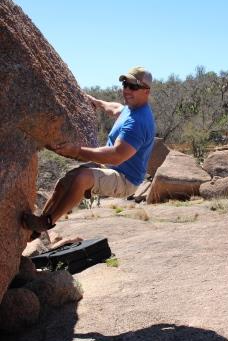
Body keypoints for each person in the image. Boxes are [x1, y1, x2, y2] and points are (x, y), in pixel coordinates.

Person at [22, 66, 156, 237]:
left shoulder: (139, 122)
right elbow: (114, 108)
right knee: (65, 180)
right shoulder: (130, 109)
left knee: (82, 178)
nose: (127, 90)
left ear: (146, 91)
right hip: (109, 167)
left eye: (134, 86)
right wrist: (96, 102)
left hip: (125, 179)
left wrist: (76, 151)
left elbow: (115, 156)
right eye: (125, 85)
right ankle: (39, 224)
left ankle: (47, 222)